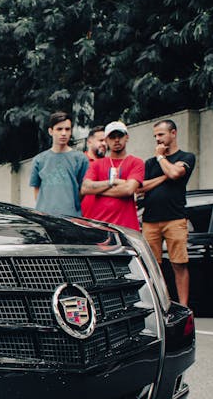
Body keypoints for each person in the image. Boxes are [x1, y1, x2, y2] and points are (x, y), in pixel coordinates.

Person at [141, 118, 196, 307]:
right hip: (150, 220)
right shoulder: (149, 163)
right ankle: (162, 304)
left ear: (173, 133)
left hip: (175, 219)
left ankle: (184, 306)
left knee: (179, 264)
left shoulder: (187, 157)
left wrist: (160, 158)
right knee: (153, 266)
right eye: (155, 135)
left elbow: (175, 174)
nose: (158, 139)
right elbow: (141, 188)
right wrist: (165, 174)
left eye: (161, 134)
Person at [80, 120, 145, 230]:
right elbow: (85, 188)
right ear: (106, 140)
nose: (116, 140)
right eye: (112, 137)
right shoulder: (97, 164)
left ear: (127, 137)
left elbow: (128, 189)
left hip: (127, 227)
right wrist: (113, 182)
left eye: (120, 136)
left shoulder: (136, 162)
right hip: (99, 226)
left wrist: (98, 190)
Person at [29, 111, 88, 218]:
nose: (64, 133)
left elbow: (83, 189)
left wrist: (71, 206)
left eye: (67, 129)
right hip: (45, 218)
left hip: (72, 218)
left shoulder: (80, 159)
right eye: (59, 129)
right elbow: (36, 190)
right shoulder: (39, 160)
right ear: (51, 131)